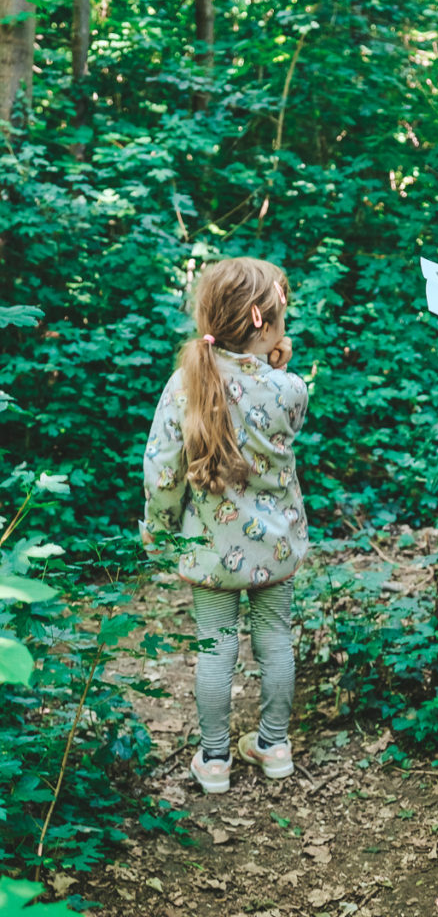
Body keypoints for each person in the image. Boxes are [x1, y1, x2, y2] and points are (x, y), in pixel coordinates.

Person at [141, 257, 309, 793]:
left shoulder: (184, 385)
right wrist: (278, 365)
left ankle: (214, 760)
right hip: (275, 550)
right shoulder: (290, 389)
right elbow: (282, 407)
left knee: (216, 646)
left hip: (211, 549)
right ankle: (274, 745)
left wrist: (159, 530)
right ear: (262, 321)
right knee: (275, 642)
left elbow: (162, 471)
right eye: (282, 314)